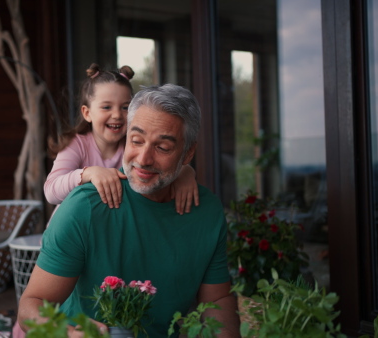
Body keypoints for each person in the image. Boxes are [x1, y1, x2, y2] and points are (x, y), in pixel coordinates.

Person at [16, 84, 239, 337]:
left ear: (187, 153)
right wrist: (66, 334)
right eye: (136, 140)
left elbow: (218, 299)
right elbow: (31, 304)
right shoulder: (84, 207)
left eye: (162, 147)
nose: (143, 159)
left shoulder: (206, 211)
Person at [44, 63, 198, 215]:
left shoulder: (134, 146)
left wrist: (186, 173)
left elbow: (164, 165)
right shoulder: (77, 144)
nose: (117, 115)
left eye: (125, 107)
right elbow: (51, 191)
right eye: (106, 107)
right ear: (87, 113)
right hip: (74, 227)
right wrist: (89, 174)